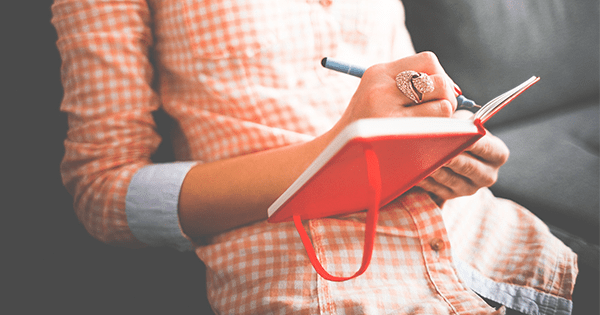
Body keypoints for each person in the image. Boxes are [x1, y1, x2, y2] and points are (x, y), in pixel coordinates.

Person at [52, 0, 577, 314]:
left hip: (502, 251)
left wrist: (444, 145)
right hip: (326, 282)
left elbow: (406, 88)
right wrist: (339, 151)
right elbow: (103, 192)